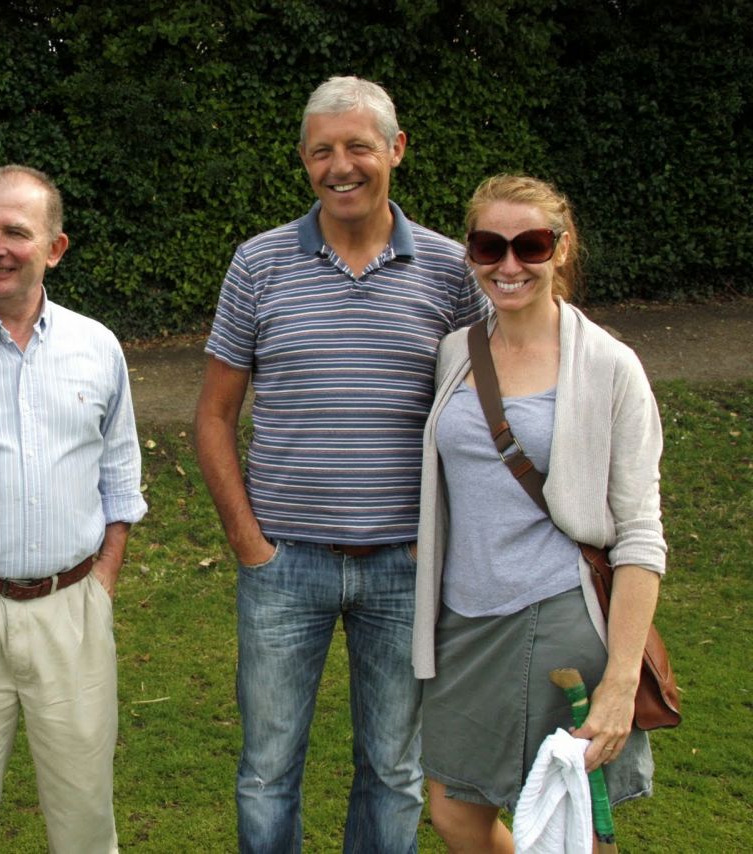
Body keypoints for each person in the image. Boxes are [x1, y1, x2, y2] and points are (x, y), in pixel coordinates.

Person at [195, 76, 490, 853]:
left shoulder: (452, 270)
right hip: (284, 564)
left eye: (358, 146)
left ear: (394, 150)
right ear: (302, 159)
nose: (341, 166)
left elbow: (483, 415)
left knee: (393, 770)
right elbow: (214, 415)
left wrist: (437, 543)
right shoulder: (258, 264)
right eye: (322, 150)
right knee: (266, 771)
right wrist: (247, 541)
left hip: (404, 565)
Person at [413, 174, 663, 851]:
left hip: (561, 622)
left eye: (530, 245)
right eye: (490, 246)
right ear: (470, 254)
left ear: (561, 248)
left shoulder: (611, 367)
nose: (510, 265)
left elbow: (640, 536)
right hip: (462, 623)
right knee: (454, 813)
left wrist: (619, 682)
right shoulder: (457, 354)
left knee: (572, 822)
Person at [0, 164, 147, 853]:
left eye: (16, 231)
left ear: (55, 247)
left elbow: (119, 472)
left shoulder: (96, 346)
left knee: (84, 816)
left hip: (71, 609)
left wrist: (102, 581)